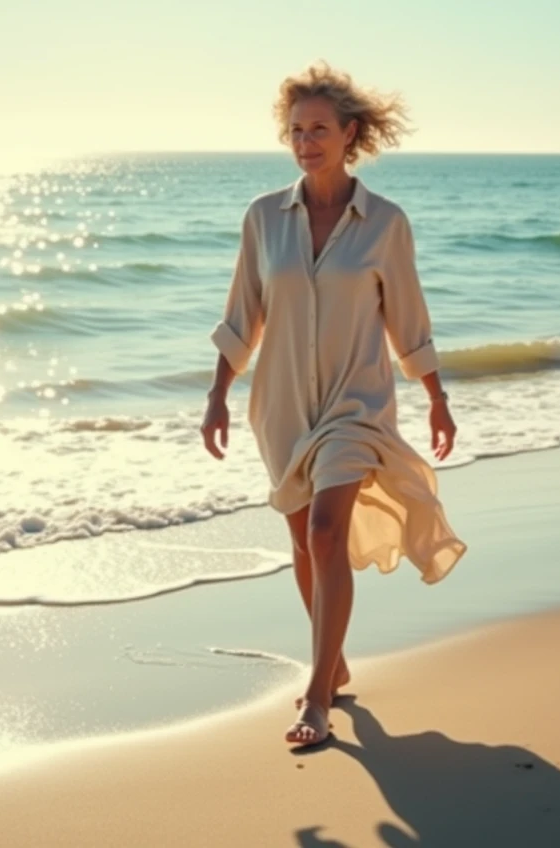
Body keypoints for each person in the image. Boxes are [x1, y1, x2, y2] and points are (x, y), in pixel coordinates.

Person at [201, 62, 466, 747]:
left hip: (356, 403)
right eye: (295, 130)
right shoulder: (264, 218)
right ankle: (334, 658)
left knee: (325, 535)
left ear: (351, 134)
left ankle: (317, 698)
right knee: (302, 542)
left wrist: (435, 396)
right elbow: (243, 316)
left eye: (319, 128)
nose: (305, 141)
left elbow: (408, 319)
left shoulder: (385, 223)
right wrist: (217, 395)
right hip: (281, 405)